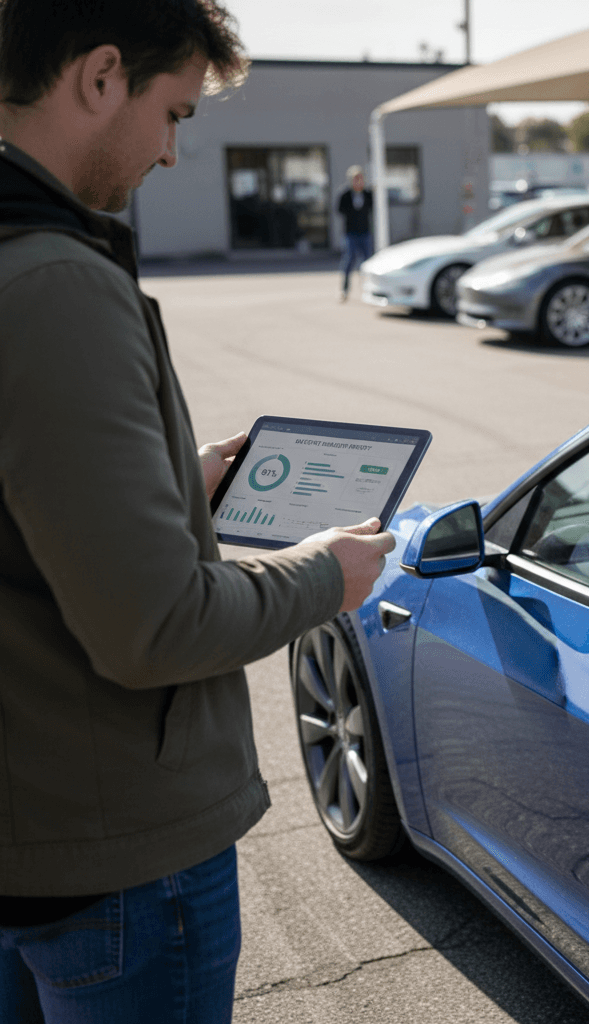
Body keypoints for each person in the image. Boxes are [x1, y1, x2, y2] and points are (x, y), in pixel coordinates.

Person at [0, 3, 395, 1021]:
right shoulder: (51, 282)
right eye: (173, 112)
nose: (174, 153)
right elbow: (158, 627)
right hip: (114, 857)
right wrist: (322, 574)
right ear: (99, 78)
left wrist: (174, 476)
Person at [337, 163, 373, 301]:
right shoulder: (345, 195)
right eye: (355, 178)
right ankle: (344, 289)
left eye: (360, 178)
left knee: (367, 262)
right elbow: (339, 210)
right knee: (348, 260)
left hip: (365, 232)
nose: (358, 181)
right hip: (350, 233)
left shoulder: (368, 194)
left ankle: (368, 289)